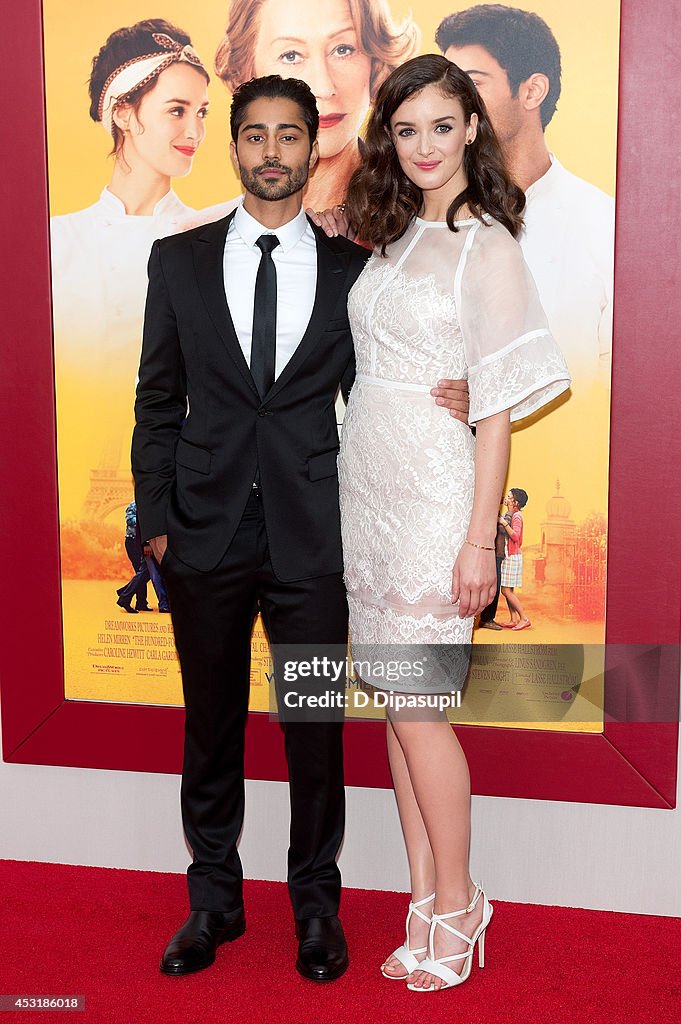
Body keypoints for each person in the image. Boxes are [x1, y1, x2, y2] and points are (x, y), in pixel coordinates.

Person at [131, 73, 470, 982]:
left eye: (289, 136)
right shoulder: (180, 259)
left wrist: (473, 397)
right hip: (201, 537)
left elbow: (391, 389)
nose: (272, 152)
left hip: (316, 541)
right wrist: (157, 522)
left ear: (309, 148)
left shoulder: (355, 271)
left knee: (312, 731)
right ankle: (213, 904)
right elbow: (157, 401)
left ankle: (316, 911)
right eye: (255, 136)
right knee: (211, 729)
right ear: (234, 145)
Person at [338, 54, 570, 990]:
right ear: (388, 140)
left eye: (442, 125)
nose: (425, 145)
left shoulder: (488, 244)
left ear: (472, 127)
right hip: (368, 498)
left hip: (438, 507)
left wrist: (480, 539)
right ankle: (425, 895)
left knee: (421, 717)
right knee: (400, 716)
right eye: (406, 130)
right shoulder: (389, 238)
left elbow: (502, 404)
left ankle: (460, 902)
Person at [50, 20, 210, 522]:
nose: (195, 131)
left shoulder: (213, 234)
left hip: (188, 480)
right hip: (68, 474)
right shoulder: (53, 242)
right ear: (123, 111)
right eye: (177, 111)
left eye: (202, 112)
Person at [435, 4, 615, 387]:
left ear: (532, 90)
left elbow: (615, 387)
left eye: (472, 84)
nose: (453, 102)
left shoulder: (606, 226)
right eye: (448, 86)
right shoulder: (425, 213)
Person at [193, 0, 418, 225]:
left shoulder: (414, 217)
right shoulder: (197, 238)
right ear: (247, 71)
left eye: (343, 50)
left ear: (375, 61)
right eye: (291, 56)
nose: (323, 87)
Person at [499, 487, 529, 629]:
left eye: (509, 496)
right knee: (508, 591)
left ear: (515, 502)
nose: (507, 498)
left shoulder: (517, 516)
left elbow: (516, 537)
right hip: (509, 555)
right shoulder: (510, 514)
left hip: (513, 556)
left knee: (505, 590)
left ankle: (524, 618)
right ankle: (513, 619)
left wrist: (503, 523)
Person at [477, 513, 509, 629]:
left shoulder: (500, 515)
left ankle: (487, 618)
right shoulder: (493, 514)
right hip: (492, 554)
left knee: (493, 586)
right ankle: (486, 619)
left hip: (496, 555)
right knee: (492, 586)